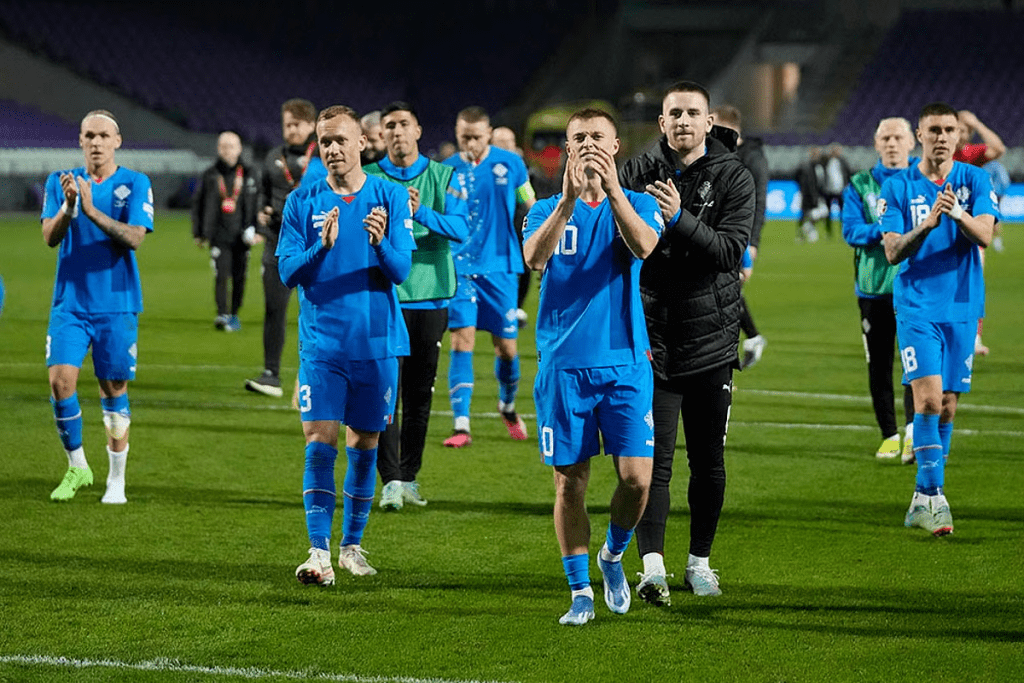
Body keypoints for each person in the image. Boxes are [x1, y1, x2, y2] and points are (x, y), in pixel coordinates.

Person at [522, 107, 662, 626]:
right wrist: (564, 201)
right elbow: (535, 260)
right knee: (569, 483)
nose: (587, 144)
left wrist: (616, 191)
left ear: (616, 145)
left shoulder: (641, 203)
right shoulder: (542, 209)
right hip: (563, 367)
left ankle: (612, 554)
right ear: (566, 146)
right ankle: (580, 591)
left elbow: (644, 245)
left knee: (636, 480)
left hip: (625, 362)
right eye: (578, 137)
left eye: (596, 136)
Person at [619, 81, 754, 604]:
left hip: (711, 345)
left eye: (691, 113)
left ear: (707, 121)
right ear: (661, 122)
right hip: (650, 341)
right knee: (652, 463)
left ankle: (699, 562)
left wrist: (678, 217)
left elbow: (729, 252)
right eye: (673, 113)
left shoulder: (732, 176)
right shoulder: (636, 171)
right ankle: (651, 568)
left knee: (708, 462)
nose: (682, 121)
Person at [278, 105, 415, 584]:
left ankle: (351, 547)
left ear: (362, 142)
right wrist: (322, 246)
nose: (332, 149)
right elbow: (287, 272)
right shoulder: (302, 201)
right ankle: (317, 553)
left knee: (365, 445)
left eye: (340, 140)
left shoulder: (389, 197)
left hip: (376, 343)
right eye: (325, 141)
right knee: (320, 443)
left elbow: (400, 271)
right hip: (322, 346)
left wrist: (378, 244)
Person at [880, 102, 998, 537]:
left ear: (958, 135)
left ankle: (921, 497)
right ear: (920, 134)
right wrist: (927, 224)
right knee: (927, 401)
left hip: (964, 306)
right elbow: (893, 251)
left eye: (950, 129)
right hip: (917, 307)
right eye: (934, 130)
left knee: (948, 405)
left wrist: (957, 214)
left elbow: (985, 234)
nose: (943, 137)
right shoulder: (896, 187)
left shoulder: (975, 179)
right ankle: (936, 498)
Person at [41, 109, 154, 504]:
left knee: (113, 389)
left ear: (117, 141)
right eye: (88, 135)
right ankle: (78, 466)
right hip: (69, 302)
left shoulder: (136, 183)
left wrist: (90, 210)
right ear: (80, 140)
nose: (95, 142)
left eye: (103, 135)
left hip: (117, 303)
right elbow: (49, 237)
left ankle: (116, 479)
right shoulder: (61, 182)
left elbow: (135, 237)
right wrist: (70, 209)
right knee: (60, 383)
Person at [364, 101, 469, 511]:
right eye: (389, 126)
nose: (397, 132)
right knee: (385, 394)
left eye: (404, 124)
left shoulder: (445, 176)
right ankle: (389, 480)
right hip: (386, 295)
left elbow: (460, 228)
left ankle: (409, 477)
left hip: (432, 296)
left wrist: (418, 211)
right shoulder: (369, 178)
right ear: (381, 134)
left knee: (420, 394)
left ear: (418, 130)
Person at [442, 106, 537, 447]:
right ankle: (461, 425)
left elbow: (529, 202)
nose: (470, 143)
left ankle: (508, 405)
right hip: (461, 267)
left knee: (507, 350)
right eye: (463, 136)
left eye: (476, 137)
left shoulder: (509, 163)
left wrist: (541, 233)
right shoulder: (447, 170)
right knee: (461, 340)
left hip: (501, 267)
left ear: (489, 133)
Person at [841, 117, 917, 461]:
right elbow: (851, 231)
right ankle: (889, 434)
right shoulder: (860, 184)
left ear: (911, 142)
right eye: (885, 137)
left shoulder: (923, 180)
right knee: (880, 365)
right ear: (875, 144)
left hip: (917, 287)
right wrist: (888, 230)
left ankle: (915, 433)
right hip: (874, 291)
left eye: (898, 137)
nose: (891, 143)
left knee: (918, 365)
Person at [245, 99, 318, 398]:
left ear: (311, 126)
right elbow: (262, 190)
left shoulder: (323, 157)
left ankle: (315, 375)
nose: (290, 130)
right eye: (287, 124)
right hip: (279, 242)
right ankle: (271, 374)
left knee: (316, 312)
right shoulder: (274, 155)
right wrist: (262, 216)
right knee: (274, 309)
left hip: (315, 246)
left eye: (296, 125)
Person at [713, 105, 767, 369]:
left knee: (726, 295)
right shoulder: (719, 155)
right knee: (723, 295)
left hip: (738, 239)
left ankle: (727, 362)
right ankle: (752, 339)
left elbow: (758, 202)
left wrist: (752, 242)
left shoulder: (753, 158)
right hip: (716, 236)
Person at [191, 131, 259, 332]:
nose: (227, 150)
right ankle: (222, 314)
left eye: (231, 146)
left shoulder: (249, 173)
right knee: (221, 275)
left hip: (242, 236)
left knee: (240, 277)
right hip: (218, 234)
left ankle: (235, 313)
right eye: (223, 146)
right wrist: (199, 232)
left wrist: (258, 230)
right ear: (218, 149)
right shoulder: (210, 174)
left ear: (239, 149)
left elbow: (257, 203)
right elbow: (198, 204)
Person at [954, 109, 1007, 353]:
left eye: (966, 131)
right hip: (941, 227)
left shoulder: (968, 154)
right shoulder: (938, 154)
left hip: (971, 227)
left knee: (974, 282)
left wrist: (976, 122)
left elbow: (998, 149)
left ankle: (973, 338)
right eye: (958, 128)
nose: (961, 134)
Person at [489, 125, 532, 327]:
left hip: (516, 223)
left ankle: (517, 307)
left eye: (509, 143)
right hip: (492, 227)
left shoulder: (517, 167)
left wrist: (537, 215)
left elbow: (526, 195)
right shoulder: (483, 167)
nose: (506, 147)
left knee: (524, 265)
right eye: (501, 143)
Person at [821, 144, 852, 239]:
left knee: (842, 213)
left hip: (840, 191)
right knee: (828, 213)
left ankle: (843, 231)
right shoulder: (826, 161)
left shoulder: (842, 162)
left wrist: (847, 187)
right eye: (834, 150)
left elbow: (848, 174)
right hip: (828, 191)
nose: (836, 152)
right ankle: (828, 232)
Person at [795, 147, 825, 242]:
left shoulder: (820, 167)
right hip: (807, 196)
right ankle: (801, 235)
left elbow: (820, 182)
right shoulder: (806, 167)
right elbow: (798, 177)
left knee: (820, 214)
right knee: (804, 215)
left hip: (817, 195)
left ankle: (808, 229)